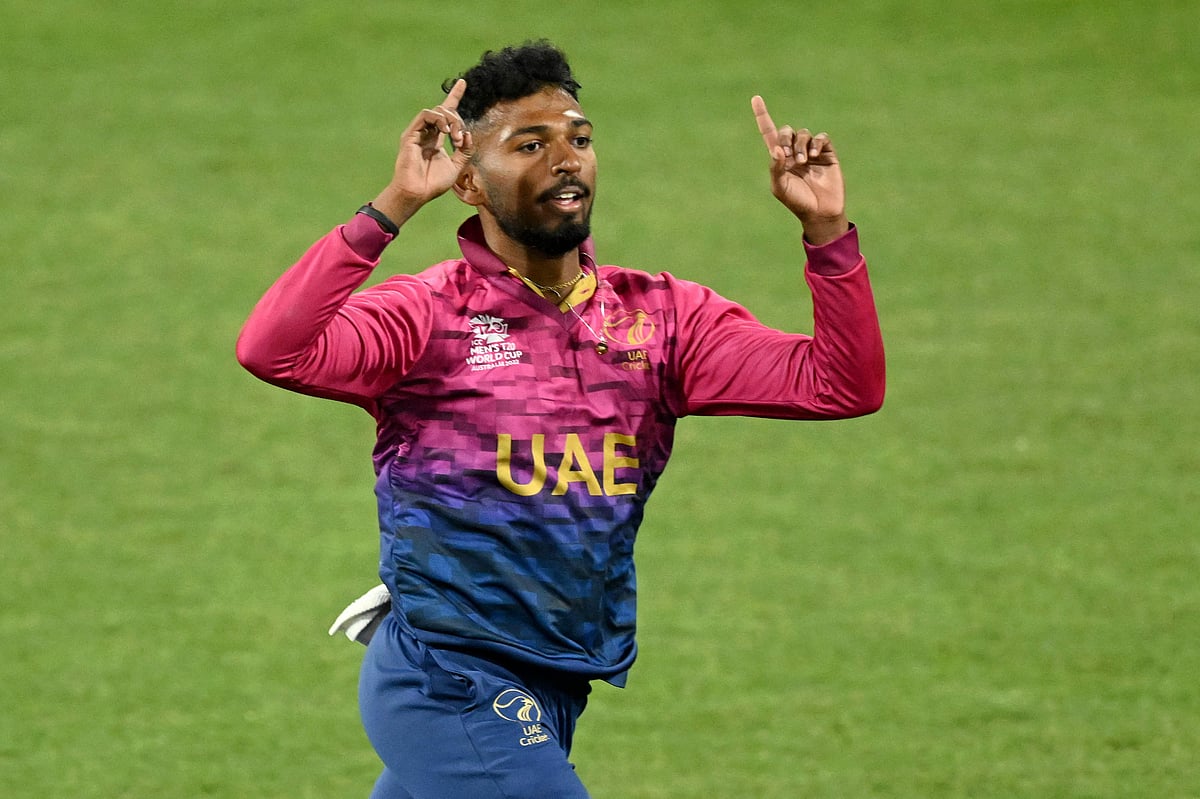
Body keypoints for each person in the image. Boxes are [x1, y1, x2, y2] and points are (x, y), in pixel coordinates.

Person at [237, 40, 884, 799]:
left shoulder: (663, 319)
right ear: (468, 180)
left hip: (554, 679)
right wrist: (391, 209)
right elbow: (272, 350)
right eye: (530, 145)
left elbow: (841, 385)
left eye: (579, 138)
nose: (566, 160)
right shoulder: (427, 315)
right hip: (449, 675)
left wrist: (826, 235)